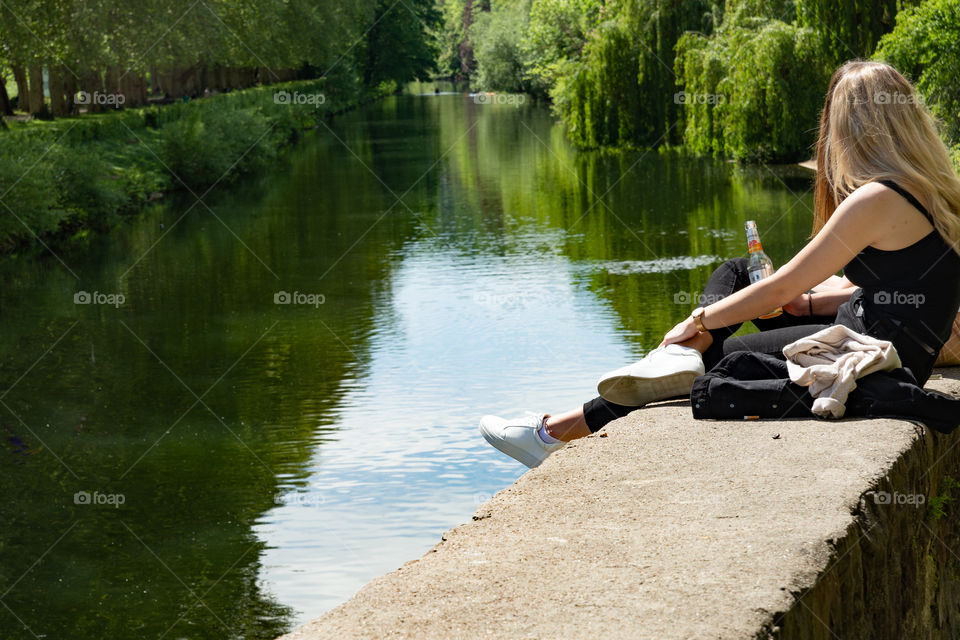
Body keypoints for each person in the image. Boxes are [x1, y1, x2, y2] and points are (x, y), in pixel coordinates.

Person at [479, 60, 960, 469]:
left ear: (850, 127)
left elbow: (779, 289)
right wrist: (807, 300)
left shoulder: (876, 199)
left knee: (718, 357)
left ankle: (557, 431)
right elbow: (905, 286)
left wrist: (699, 318)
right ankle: (571, 423)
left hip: (870, 354)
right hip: (885, 342)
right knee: (734, 273)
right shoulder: (936, 191)